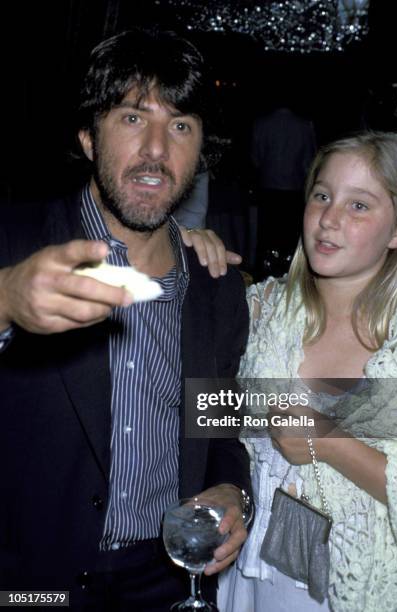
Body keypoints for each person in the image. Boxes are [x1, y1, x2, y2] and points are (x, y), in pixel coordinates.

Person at [0, 29, 252, 611]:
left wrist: (231, 488)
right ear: (89, 136)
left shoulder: (216, 290)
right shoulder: (14, 242)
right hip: (30, 582)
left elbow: (221, 426)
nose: (158, 150)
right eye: (134, 118)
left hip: (164, 583)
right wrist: (7, 299)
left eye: (181, 125)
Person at [194, 131, 397, 611]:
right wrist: (178, 247)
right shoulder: (258, 310)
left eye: (359, 205)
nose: (329, 218)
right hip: (252, 575)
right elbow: (202, 416)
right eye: (322, 196)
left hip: (356, 587)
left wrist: (324, 440)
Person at [251, 104, 317, 279]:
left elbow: (256, 158)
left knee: (267, 237)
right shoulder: (304, 125)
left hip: (269, 188)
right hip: (293, 189)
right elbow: (309, 162)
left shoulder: (262, 123)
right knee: (289, 239)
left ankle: (264, 277)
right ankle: (289, 276)